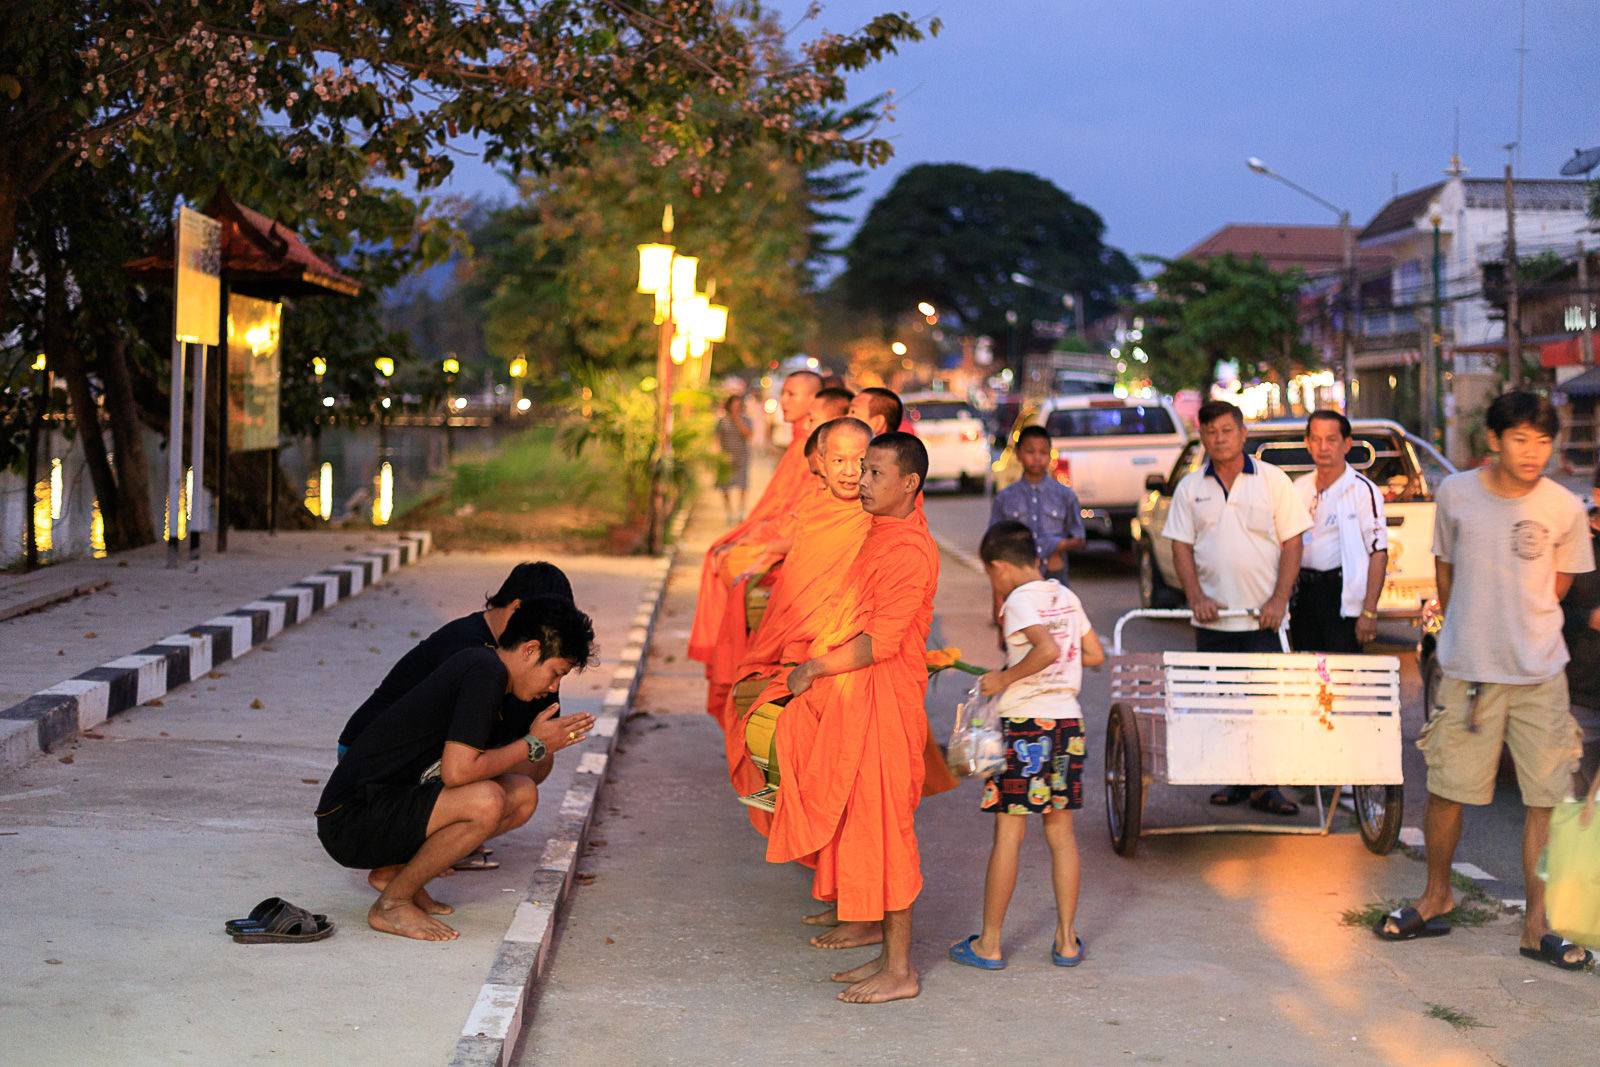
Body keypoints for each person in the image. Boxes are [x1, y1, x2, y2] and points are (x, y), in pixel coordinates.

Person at [1378, 392, 1593, 971]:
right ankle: (1436, 896)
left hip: (1541, 674)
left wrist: (1519, 624)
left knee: (1548, 798)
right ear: (1494, 441)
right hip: (1469, 671)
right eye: (1520, 439)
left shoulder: (1564, 507)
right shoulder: (1456, 494)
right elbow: (1446, 570)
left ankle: (1537, 924)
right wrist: (1472, 629)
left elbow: (1562, 585)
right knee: (1448, 789)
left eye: (1543, 441)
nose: (1533, 452)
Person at [765, 432, 939, 1003]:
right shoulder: (879, 533)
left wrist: (813, 668)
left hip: (883, 704)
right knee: (864, 826)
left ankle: (901, 970)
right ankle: (886, 958)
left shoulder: (909, 550)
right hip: (859, 700)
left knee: (890, 835)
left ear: (909, 484)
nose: (862, 482)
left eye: (876, 474)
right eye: (862, 471)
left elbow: (880, 643)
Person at [315, 597, 597, 941]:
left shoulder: (489, 671)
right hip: (349, 819)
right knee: (487, 800)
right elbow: (458, 773)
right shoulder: (485, 671)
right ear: (530, 649)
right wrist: (534, 744)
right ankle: (392, 904)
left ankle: (397, 874)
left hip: (388, 805)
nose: (553, 687)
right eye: (555, 673)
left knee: (522, 794)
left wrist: (539, 747)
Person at [948, 520, 1104, 972]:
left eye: (990, 576)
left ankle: (990, 944)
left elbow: (1047, 651)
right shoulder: (1065, 597)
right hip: (1066, 726)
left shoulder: (1019, 600)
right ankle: (1067, 940)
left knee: (1009, 837)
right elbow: (1093, 655)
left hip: (1025, 728)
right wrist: (1052, 666)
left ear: (999, 567)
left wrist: (1005, 676)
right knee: (1061, 835)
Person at [1162, 399, 1311, 816]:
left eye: (1227, 430)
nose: (1220, 438)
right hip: (1215, 619)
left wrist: (1279, 599)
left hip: (1263, 618)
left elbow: (1294, 542)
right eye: (1211, 432)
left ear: (1243, 433)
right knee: (1223, 703)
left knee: (1265, 705)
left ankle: (1267, 786)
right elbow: (1180, 547)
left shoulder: (1273, 481)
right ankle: (1236, 780)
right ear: (1203, 438)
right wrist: (1196, 598)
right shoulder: (1191, 488)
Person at [337, 561, 574, 782]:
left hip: (440, 752)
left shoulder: (540, 659)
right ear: (517, 609)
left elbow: (540, 731)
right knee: (484, 767)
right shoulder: (469, 650)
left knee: (538, 759)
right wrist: (529, 743)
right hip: (371, 752)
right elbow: (467, 742)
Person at [688, 370, 822, 664]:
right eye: (783, 393)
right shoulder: (798, 446)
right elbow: (780, 508)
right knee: (722, 555)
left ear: (815, 402)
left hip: (796, 551)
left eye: (791, 394)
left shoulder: (810, 450)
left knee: (732, 565)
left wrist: (762, 544)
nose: (783, 401)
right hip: (780, 536)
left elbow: (803, 518)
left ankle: (742, 663)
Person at [1289, 410, 1388, 653]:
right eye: (1316, 439)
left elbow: (1379, 553)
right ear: (1307, 443)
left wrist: (1369, 611)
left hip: (1341, 597)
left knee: (1343, 679)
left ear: (1346, 444)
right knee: (1306, 674)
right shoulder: (1298, 488)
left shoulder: (1363, 490)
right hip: (1303, 595)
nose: (1323, 447)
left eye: (1331, 439)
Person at [989, 423, 1086, 593]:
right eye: (1030, 452)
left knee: (1055, 620)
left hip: (1055, 577)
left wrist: (1058, 546)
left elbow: (1079, 538)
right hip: (1018, 579)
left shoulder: (1065, 496)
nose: (1037, 458)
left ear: (1050, 455)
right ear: (1018, 454)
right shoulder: (1005, 498)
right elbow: (995, 544)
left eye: (1043, 452)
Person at [1559, 469, 1600, 794]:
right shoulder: (1572, 540)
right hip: (1582, 694)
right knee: (1581, 803)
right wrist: (1589, 619)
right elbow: (1546, 610)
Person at [714, 393, 751, 524]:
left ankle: (741, 510)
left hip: (741, 456)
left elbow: (748, 435)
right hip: (726, 457)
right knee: (725, 486)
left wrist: (738, 420)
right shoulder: (722, 421)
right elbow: (716, 437)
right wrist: (718, 454)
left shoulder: (746, 420)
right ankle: (728, 511)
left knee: (742, 484)